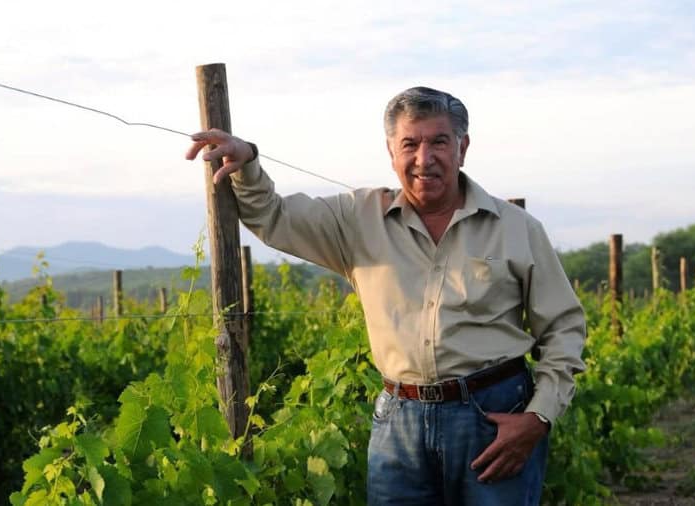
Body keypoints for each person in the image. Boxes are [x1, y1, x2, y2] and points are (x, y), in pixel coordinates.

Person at [185, 86, 586, 505]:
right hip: (399, 421)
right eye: (409, 144)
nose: (423, 158)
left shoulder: (517, 228)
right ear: (391, 151)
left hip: (493, 418)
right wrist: (247, 161)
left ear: (462, 148)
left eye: (439, 142)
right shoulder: (357, 219)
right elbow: (273, 216)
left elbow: (564, 328)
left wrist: (538, 417)